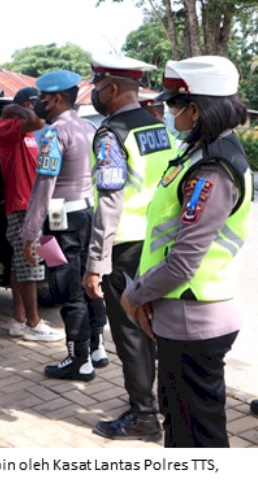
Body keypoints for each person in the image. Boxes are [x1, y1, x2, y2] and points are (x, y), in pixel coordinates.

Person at [121, 56, 253, 447]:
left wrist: (134, 295)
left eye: (174, 105)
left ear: (195, 109)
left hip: (194, 317)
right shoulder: (201, 154)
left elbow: (182, 261)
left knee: (197, 436)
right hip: (182, 311)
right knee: (181, 426)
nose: (169, 113)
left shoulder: (212, 169)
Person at [82, 54, 178, 440]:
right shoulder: (160, 128)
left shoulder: (112, 134)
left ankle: (143, 417)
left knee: (130, 334)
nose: (94, 93)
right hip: (161, 245)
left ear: (113, 88)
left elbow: (110, 200)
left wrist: (95, 263)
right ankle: (165, 405)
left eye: (97, 86)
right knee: (161, 328)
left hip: (124, 247)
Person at [21, 70, 107, 381]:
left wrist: (30, 234)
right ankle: (97, 348)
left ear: (56, 99)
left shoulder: (56, 134)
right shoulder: (87, 127)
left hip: (61, 223)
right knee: (89, 284)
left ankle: (78, 360)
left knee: (68, 289)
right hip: (86, 213)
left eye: (43, 99)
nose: (40, 105)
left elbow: (44, 186)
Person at [0, 88, 63, 342]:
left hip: (34, 204)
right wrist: (17, 109)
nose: (43, 106)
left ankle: (19, 320)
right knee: (30, 262)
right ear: (26, 105)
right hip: (22, 204)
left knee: (20, 264)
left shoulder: (27, 131)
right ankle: (34, 324)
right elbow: (37, 119)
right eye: (38, 102)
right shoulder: (6, 125)